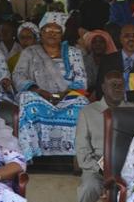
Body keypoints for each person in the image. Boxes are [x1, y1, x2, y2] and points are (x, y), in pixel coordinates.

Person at [12, 12, 89, 160]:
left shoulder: (74, 53)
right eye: (48, 30)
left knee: (82, 103)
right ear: (41, 32)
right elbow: (18, 75)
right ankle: (31, 153)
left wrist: (64, 94)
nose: (52, 34)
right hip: (38, 96)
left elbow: (81, 80)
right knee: (27, 101)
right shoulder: (30, 52)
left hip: (67, 97)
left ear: (62, 34)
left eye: (57, 31)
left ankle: (75, 156)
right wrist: (37, 90)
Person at [76, 71, 134, 202]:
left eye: (121, 85)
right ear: (103, 88)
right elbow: (82, 151)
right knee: (87, 189)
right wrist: (100, 169)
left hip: (128, 170)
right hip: (97, 171)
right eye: (113, 85)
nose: (117, 88)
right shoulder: (88, 112)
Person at [96, 24, 134, 106]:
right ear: (120, 39)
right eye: (127, 36)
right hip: (110, 108)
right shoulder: (107, 61)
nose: (131, 39)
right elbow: (100, 89)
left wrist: (129, 103)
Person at [78, 29, 118, 93]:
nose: (98, 44)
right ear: (90, 44)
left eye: (101, 42)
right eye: (94, 42)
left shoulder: (112, 62)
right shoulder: (83, 61)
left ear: (106, 45)